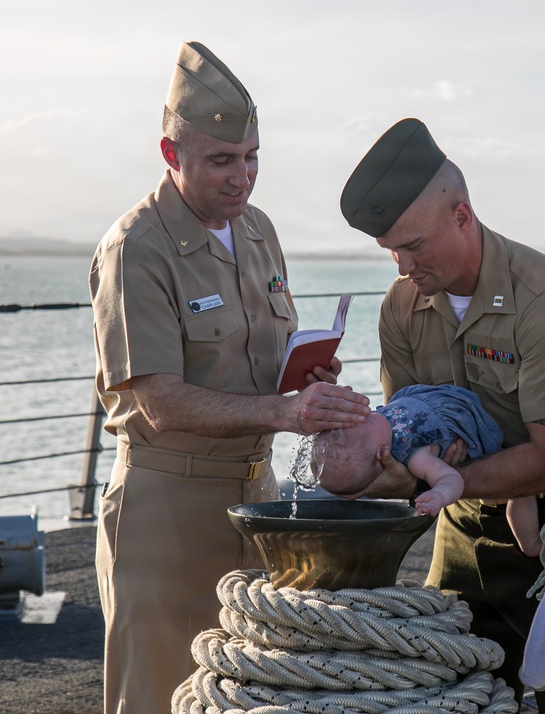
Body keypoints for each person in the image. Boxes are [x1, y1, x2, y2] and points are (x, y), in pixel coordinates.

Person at [89, 41, 371, 714]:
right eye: (221, 160)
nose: (241, 178)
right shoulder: (136, 248)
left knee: (249, 693)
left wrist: (305, 375)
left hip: (258, 498)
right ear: (170, 153)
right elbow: (159, 402)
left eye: (251, 158)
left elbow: (255, 364)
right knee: (158, 695)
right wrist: (287, 414)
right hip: (167, 507)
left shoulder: (258, 231)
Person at [337, 118, 545, 712]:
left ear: (462, 216)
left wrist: (427, 480)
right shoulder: (401, 304)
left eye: (414, 245)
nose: (402, 265)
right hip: (459, 526)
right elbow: (405, 426)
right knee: (445, 696)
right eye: (390, 250)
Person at [315, 384, 543, 555]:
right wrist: (439, 493)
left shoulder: (374, 433)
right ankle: (530, 542)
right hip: (468, 422)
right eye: (366, 422)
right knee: (519, 490)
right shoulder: (414, 455)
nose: (365, 415)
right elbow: (451, 477)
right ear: (381, 453)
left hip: (436, 398)